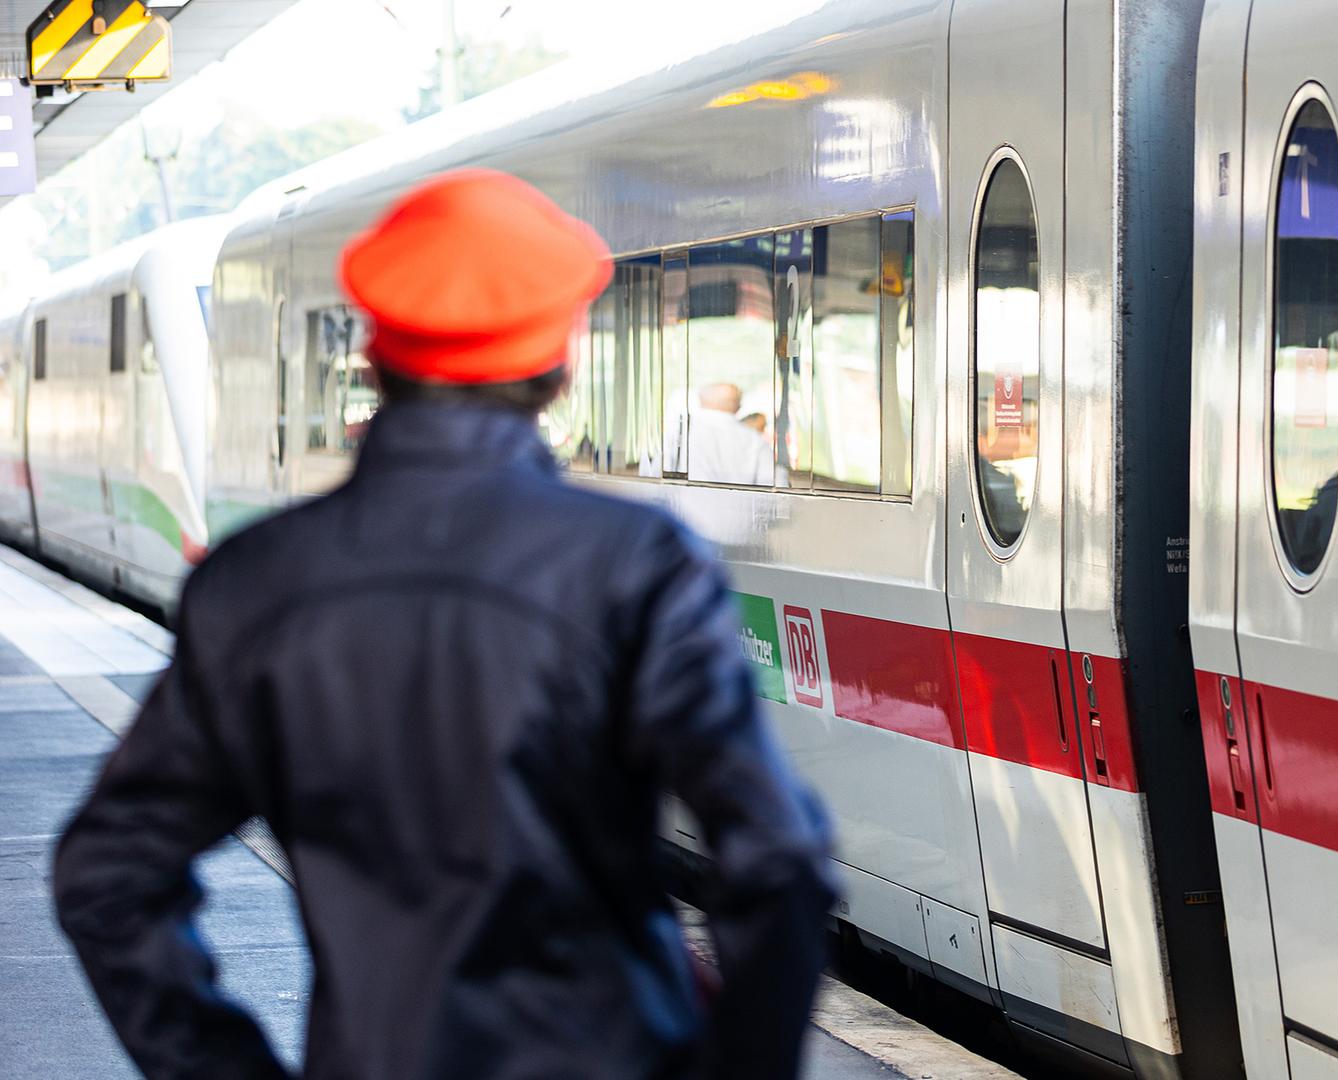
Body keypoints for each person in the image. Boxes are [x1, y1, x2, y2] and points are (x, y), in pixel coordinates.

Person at [52, 169, 837, 1080]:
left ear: (374, 360)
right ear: (559, 366)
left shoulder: (253, 584)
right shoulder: (636, 565)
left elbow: (107, 873)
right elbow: (779, 862)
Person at [670, 382, 780, 485]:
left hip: (682, 504)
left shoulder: (679, 433)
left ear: (701, 401)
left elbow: (657, 473)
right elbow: (775, 483)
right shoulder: (755, 441)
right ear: (738, 406)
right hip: (739, 504)